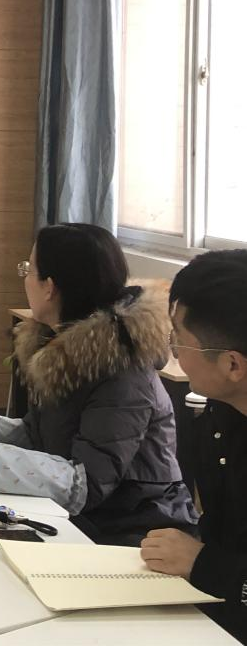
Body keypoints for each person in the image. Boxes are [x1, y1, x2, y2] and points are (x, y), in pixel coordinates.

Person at [0, 223, 198, 545]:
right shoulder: (62, 349)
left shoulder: (123, 372)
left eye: (28, 270)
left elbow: (87, 484)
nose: (24, 278)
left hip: (137, 531)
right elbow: (40, 436)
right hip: (91, 518)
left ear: (49, 287)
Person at [141, 250, 247, 643]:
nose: (175, 354)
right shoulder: (223, 415)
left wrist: (201, 562)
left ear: (232, 365)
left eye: (180, 341)